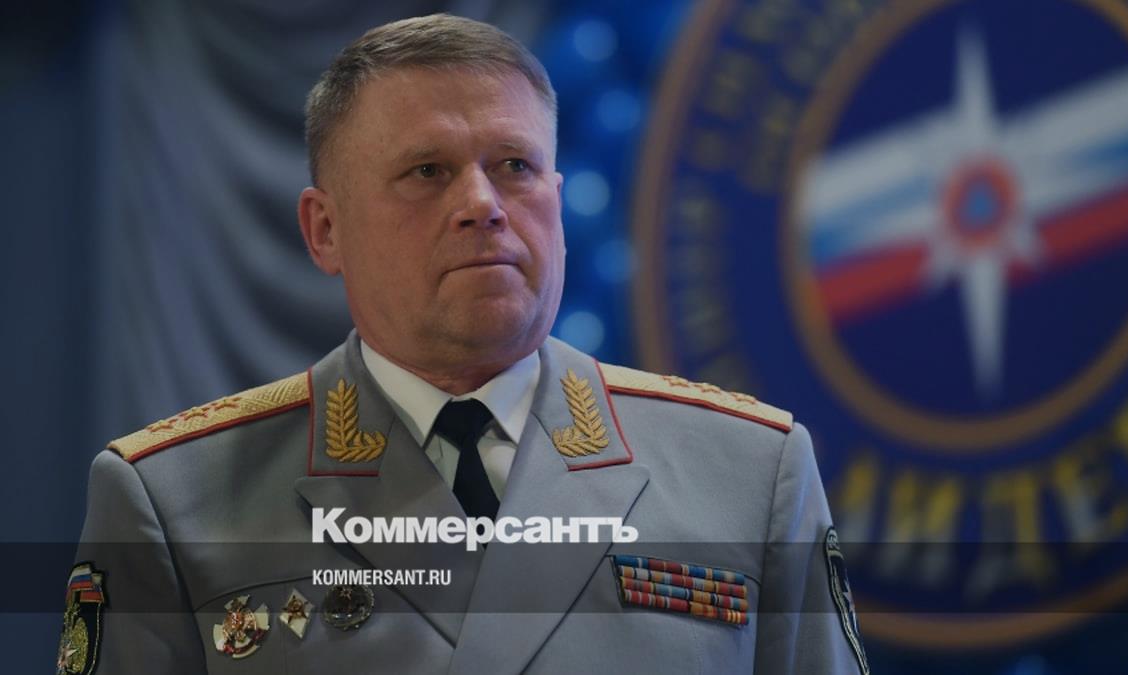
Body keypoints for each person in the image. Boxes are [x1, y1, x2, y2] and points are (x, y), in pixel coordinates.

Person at [61, 14, 868, 675]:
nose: (483, 203)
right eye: (428, 171)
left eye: (515, 165)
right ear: (325, 229)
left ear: (558, 199)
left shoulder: (750, 474)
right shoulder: (172, 501)